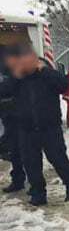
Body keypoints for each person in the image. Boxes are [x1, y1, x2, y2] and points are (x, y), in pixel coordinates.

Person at [0, 43, 69, 206]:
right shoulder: (18, 76)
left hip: (49, 127)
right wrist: (16, 75)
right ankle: (38, 193)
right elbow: (4, 90)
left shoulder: (46, 71)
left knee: (58, 159)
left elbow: (63, 85)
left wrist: (44, 70)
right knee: (31, 163)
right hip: (26, 128)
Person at [0, 47, 26, 193]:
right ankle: (19, 180)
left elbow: (8, 89)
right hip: (9, 116)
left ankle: (21, 180)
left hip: (15, 117)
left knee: (18, 150)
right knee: (16, 151)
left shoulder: (16, 73)